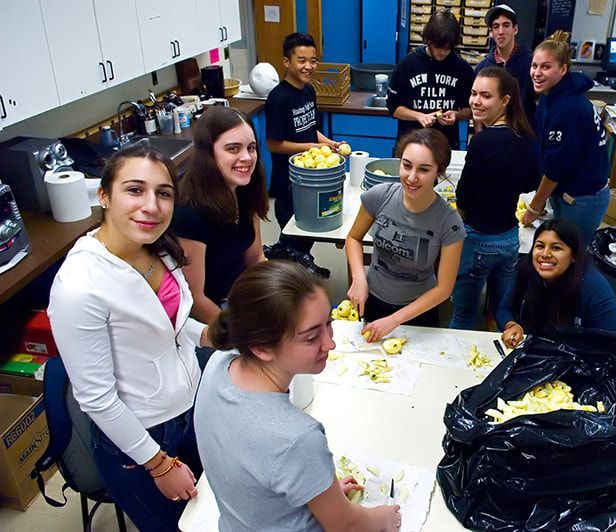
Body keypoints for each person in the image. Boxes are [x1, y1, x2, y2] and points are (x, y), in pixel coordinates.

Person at [48, 146, 208, 530]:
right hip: (138, 440)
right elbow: (97, 399)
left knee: (210, 515)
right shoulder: (79, 287)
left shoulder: (156, 249)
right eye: (135, 190)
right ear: (103, 195)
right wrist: (158, 464)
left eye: (163, 193)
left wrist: (215, 336)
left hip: (188, 410)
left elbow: (170, 324)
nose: (151, 206)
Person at [194, 261, 402, 531]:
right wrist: (385, 518)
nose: (330, 343)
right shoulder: (298, 438)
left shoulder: (218, 364)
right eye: (311, 337)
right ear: (262, 348)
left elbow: (254, 468)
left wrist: (317, 489)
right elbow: (348, 526)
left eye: (329, 323)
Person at [346, 129, 466, 341]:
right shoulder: (379, 196)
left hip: (419, 312)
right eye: (407, 165)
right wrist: (358, 278)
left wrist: (394, 320)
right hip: (373, 300)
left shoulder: (449, 221)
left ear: (439, 172)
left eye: (424, 169)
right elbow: (353, 238)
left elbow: (444, 289)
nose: (412, 177)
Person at [449, 67, 538, 330]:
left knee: (463, 316)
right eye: (474, 93)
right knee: (504, 316)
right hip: (509, 240)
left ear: (505, 100)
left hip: (478, 240)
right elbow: (531, 182)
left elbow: (464, 195)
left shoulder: (483, 141)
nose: (476, 101)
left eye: (486, 96)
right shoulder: (525, 136)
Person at [171, 106, 269, 324]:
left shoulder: (244, 190)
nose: (246, 157)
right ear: (208, 153)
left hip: (237, 298)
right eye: (233, 149)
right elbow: (195, 301)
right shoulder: (188, 214)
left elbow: (255, 259)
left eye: (251, 148)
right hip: (206, 320)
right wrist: (235, 337)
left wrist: (280, 294)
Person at [521, 30, 610, 246]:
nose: (537, 73)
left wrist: (533, 208)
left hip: (583, 198)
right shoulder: (550, 97)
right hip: (566, 192)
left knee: (572, 256)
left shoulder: (567, 108)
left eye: (546, 67)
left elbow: (556, 169)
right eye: (535, 66)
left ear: (563, 69)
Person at [266, 32, 341, 255]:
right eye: (302, 61)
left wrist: (330, 143)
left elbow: (310, 129)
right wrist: (312, 147)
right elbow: (273, 144)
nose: (309, 66)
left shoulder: (308, 91)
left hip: (310, 179)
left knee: (308, 231)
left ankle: (303, 261)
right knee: (292, 234)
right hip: (288, 181)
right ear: (287, 61)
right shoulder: (278, 98)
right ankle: (285, 265)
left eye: (313, 60)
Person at [497, 219, 616, 348]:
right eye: (540, 246)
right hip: (536, 352)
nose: (545, 254)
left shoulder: (593, 287)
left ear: (573, 256)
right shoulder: (526, 269)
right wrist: (512, 325)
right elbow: (505, 309)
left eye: (556, 248)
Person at [388, 9, 475, 150]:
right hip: (410, 144)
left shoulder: (462, 69)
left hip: (446, 146)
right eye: (437, 46)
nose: (441, 52)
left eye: (447, 48)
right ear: (428, 39)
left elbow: (470, 110)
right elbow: (393, 108)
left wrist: (456, 115)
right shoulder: (407, 64)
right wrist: (419, 116)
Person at [474, 4, 536, 129]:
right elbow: (477, 110)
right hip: (492, 136)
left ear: (515, 29)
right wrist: (480, 135)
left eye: (506, 25)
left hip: (523, 136)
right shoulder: (483, 68)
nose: (501, 32)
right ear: (491, 32)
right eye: (496, 26)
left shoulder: (532, 64)